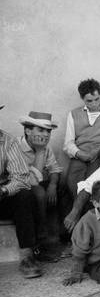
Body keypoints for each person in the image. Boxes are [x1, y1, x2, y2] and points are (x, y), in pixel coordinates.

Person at [0, 105, 42, 278]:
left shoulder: (8, 141)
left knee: (25, 196)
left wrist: (3, 190)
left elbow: (21, 177)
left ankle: (27, 256)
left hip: (1, 196)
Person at [64, 78, 100, 198]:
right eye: (89, 101)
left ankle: (92, 212)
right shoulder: (74, 114)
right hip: (80, 155)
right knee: (72, 182)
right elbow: (68, 143)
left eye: (97, 99)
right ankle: (79, 212)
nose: (95, 104)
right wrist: (80, 154)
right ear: (83, 99)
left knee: (95, 184)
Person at [18, 111, 64, 257]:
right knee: (38, 193)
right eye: (41, 130)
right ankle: (40, 242)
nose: (45, 134)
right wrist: (38, 151)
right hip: (21, 187)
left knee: (62, 188)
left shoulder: (47, 148)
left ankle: (61, 238)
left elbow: (54, 169)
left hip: (39, 183)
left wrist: (52, 185)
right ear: (27, 130)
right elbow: (29, 181)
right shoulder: (16, 147)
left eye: (48, 131)